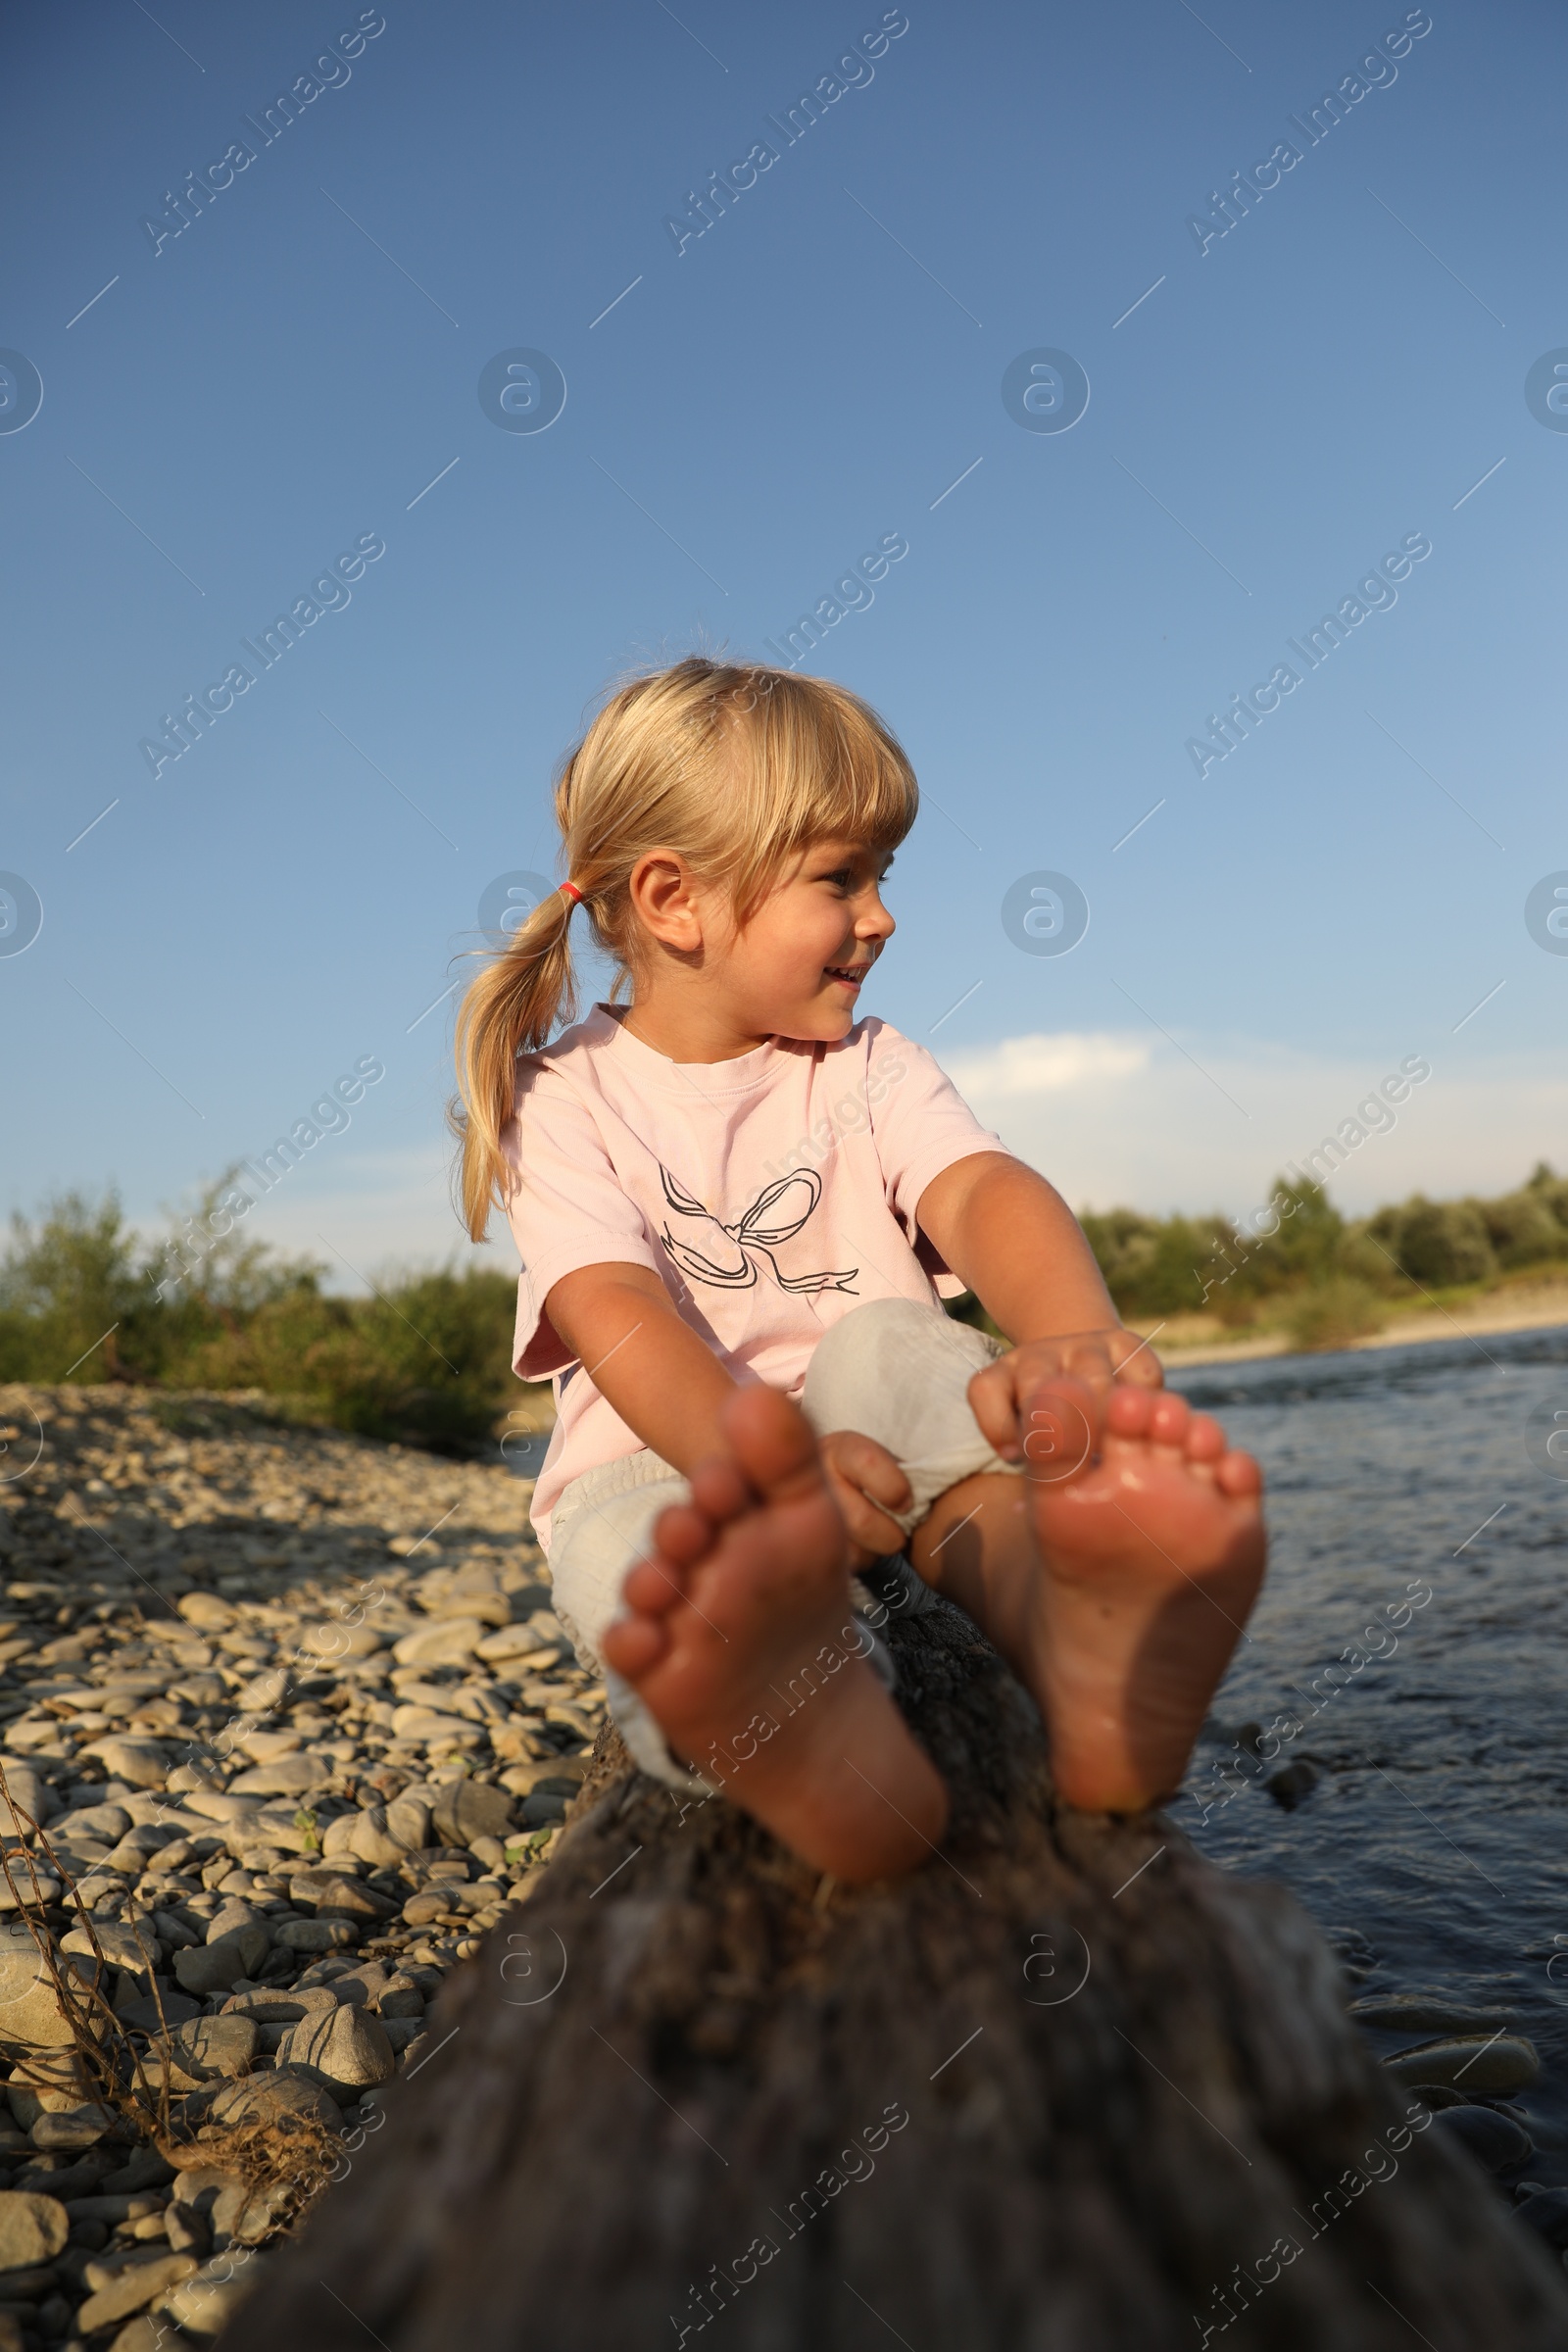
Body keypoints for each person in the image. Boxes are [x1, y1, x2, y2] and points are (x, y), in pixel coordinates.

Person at [453, 659, 1266, 1883]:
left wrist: (1063, 1337)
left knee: (895, 1352)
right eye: (841, 879)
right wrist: (766, 1475)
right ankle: (812, 1734)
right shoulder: (559, 1097)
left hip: (875, 1446)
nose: (880, 916)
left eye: (883, 876)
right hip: (679, 1461)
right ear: (675, 901)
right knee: (639, 1549)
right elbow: (608, 1310)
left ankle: (1078, 1640)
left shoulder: (868, 1064)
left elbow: (982, 1189)